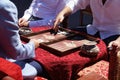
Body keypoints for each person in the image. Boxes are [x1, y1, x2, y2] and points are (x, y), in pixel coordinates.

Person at [0, 0, 47, 79]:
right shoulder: (4, 5)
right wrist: (32, 44)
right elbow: (17, 53)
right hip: (4, 64)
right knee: (47, 63)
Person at [53, 0, 120, 51]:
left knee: (110, 52)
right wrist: (62, 13)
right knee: (62, 37)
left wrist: (118, 41)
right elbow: (76, 3)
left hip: (113, 34)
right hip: (93, 30)